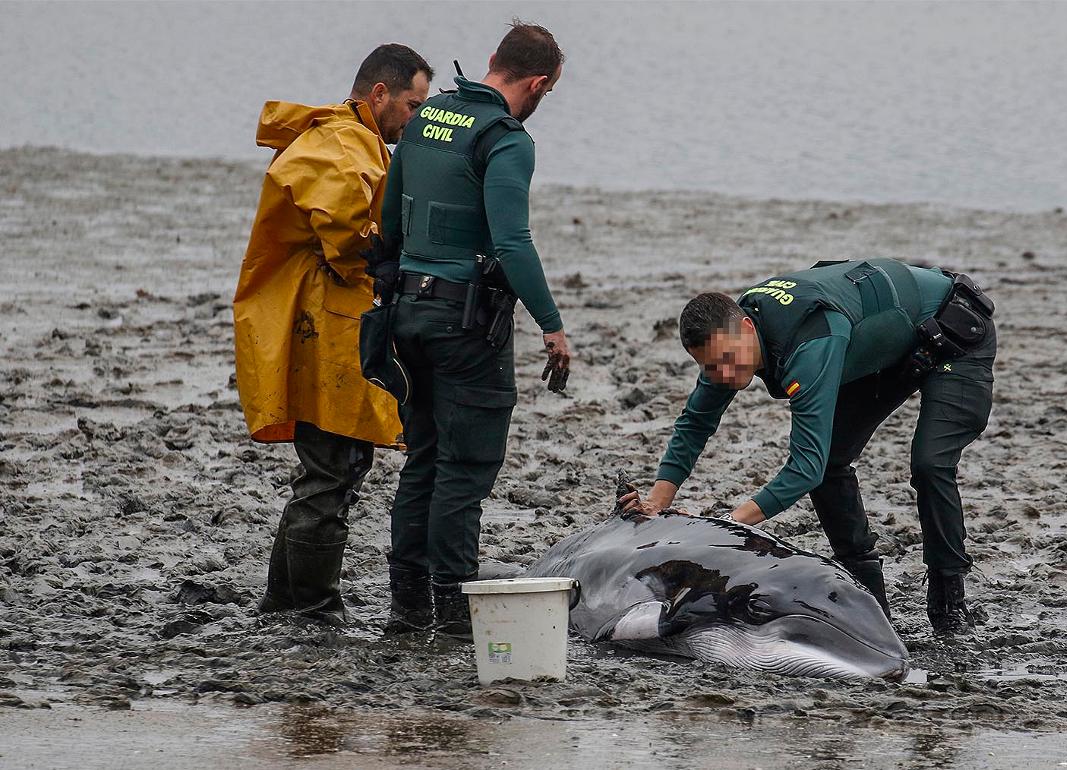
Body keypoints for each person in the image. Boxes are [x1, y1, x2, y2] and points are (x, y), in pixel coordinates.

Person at [619, 259, 996, 636]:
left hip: (953, 330)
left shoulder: (809, 343)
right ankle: (870, 596)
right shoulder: (727, 342)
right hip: (889, 347)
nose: (724, 375)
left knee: (929, 463)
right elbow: (695, 422)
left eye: (727, 360)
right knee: (832, 461)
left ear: (747, 328)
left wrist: (729, 528)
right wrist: (657, 501)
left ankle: (949, 601)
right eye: (710, 367)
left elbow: (804, 466)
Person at [373, 21, 571, 638]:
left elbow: (389, 223)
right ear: (537, 84)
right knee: (466, 467)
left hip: (406, 314)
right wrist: (552, 325)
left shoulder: (429, 117)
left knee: (424, 458)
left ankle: (407, 608)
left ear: (491, 60)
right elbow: (512, 241)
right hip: (466, 324)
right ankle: (456, 616)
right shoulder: (507, 139)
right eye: (547, 92)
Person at [233, 44, 434, 625]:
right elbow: (347, 238)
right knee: (332, 470)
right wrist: (397, 260)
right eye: (413, 105)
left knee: (326, 473)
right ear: (379, 94)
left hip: (323, 321)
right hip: (322, 328)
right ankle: (314, 606)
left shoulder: (348, 139)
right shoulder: (339, 145)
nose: (418, 119)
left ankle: (285, 600)